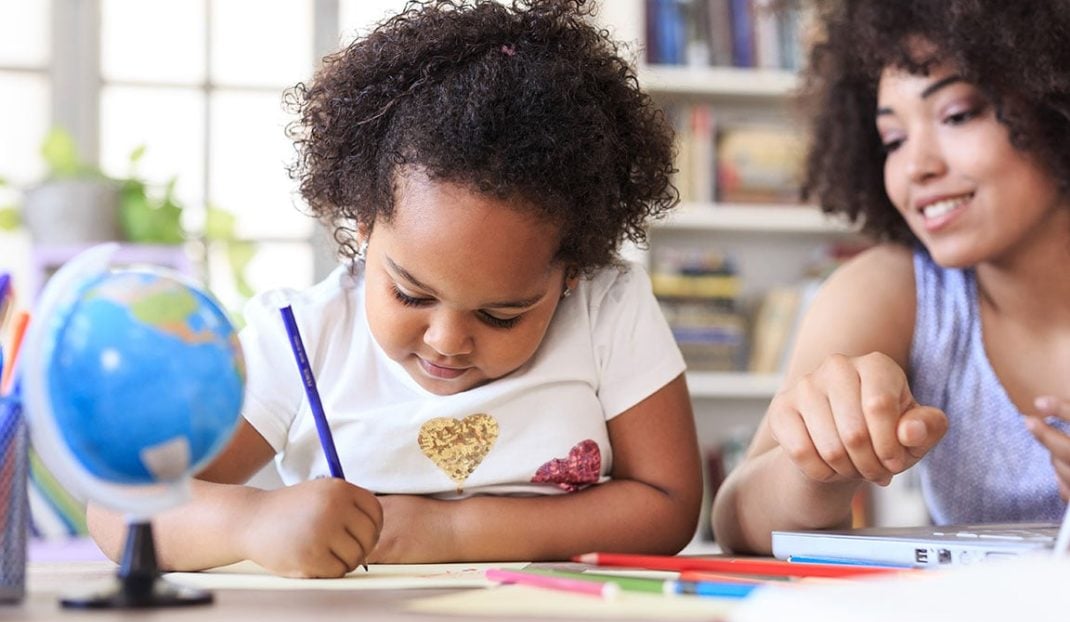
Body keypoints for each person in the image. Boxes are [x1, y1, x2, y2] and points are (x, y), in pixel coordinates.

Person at [87, 0, 702, 577]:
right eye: (411, 294)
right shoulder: (303, 336)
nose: (448, 340)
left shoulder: (609, 307)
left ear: (572, 272)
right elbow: (120, 508)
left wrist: (452, 532)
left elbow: (669, 504)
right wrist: (252, 522)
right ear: (364, 225)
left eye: (503, 315)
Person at [712, 0, 1070, 554]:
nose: (915, 168)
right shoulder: (896, 290)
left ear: (1055, 102)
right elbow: (739, 519)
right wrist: (819, 463)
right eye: (892, 141)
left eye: (956, 115)